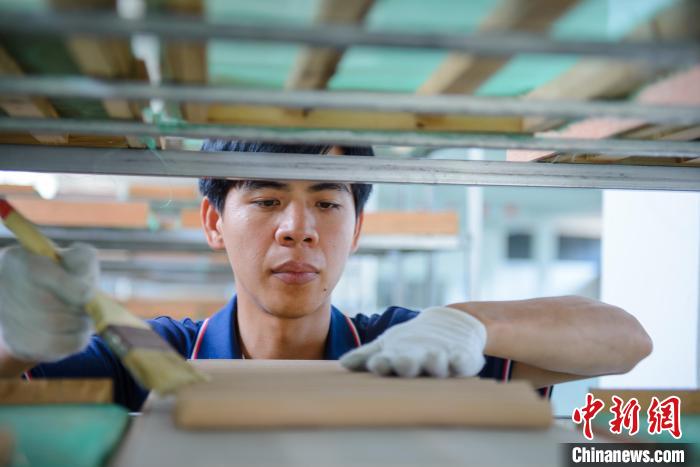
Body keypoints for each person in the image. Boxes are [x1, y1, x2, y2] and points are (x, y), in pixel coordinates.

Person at [0, 141, 652, 411]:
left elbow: (624, 340)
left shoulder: (407, 351)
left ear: (357, 227)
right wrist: (18, 342)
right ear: (213, 221)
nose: (298, 228)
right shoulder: (148, 359)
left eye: (327, 203)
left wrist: (468, 323)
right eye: (266, 199)